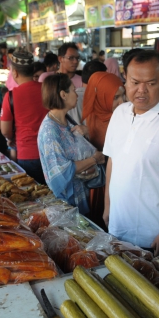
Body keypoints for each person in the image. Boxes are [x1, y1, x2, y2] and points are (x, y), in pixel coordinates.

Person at [103, 50, 159, 259]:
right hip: (116, 230)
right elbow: (112, 161)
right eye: (135, 82)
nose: (141, 90)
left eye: (151, 83)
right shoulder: (120, 114)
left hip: (153, 237)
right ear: (125, 79)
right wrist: (108, 206)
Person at [38, 73, 105, 214]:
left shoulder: (66, 121)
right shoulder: (50, 131)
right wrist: (94, 160)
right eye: (73, 90)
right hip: (66, 205)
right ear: (63, 94)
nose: (77, 94)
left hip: (80, 198)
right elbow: (60, 172)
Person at [81, 71, 125, 230]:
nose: (122, 102)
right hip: (100, 182)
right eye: (115, 98)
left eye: (122, 96)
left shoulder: (124, 117)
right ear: (101, 97)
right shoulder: (94, 115)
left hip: (118, 182)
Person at [0, 51, 49, 184]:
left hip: (27, 154)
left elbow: (5, 130)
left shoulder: (10, 96)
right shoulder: (46, 90)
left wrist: (11, 138)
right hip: (51, 152)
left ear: (14, 72)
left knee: (35, 197)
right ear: (32, 69)